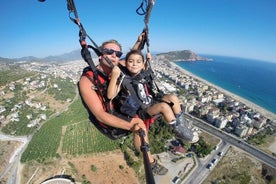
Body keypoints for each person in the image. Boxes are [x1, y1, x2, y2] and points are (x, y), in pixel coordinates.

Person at [78, 37, 168, 175]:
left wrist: (140, 40)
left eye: (117, 54)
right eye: (109, 51)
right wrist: (133, 126)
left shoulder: (118, 66)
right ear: (100, 54)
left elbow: (132, 57)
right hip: (107, 118)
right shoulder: (87, 80)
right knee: (139, 125)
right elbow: (99, 115)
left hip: (120, 107)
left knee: (159, 103)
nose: (114, 56)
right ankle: (150, 163)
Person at [107, 49, 199, 143]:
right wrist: (114, 76)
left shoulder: (142, 73)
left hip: (150, 101)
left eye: (138, 62)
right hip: (141, 110)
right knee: (164, 107)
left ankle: (182, 126)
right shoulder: (123, 79)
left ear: (142, 65)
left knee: (173, 98)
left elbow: (147, 69)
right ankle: (178, 131)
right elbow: (110, 95)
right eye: (131, 61)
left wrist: (148, 60)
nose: (134, 64)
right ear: (125, 63)